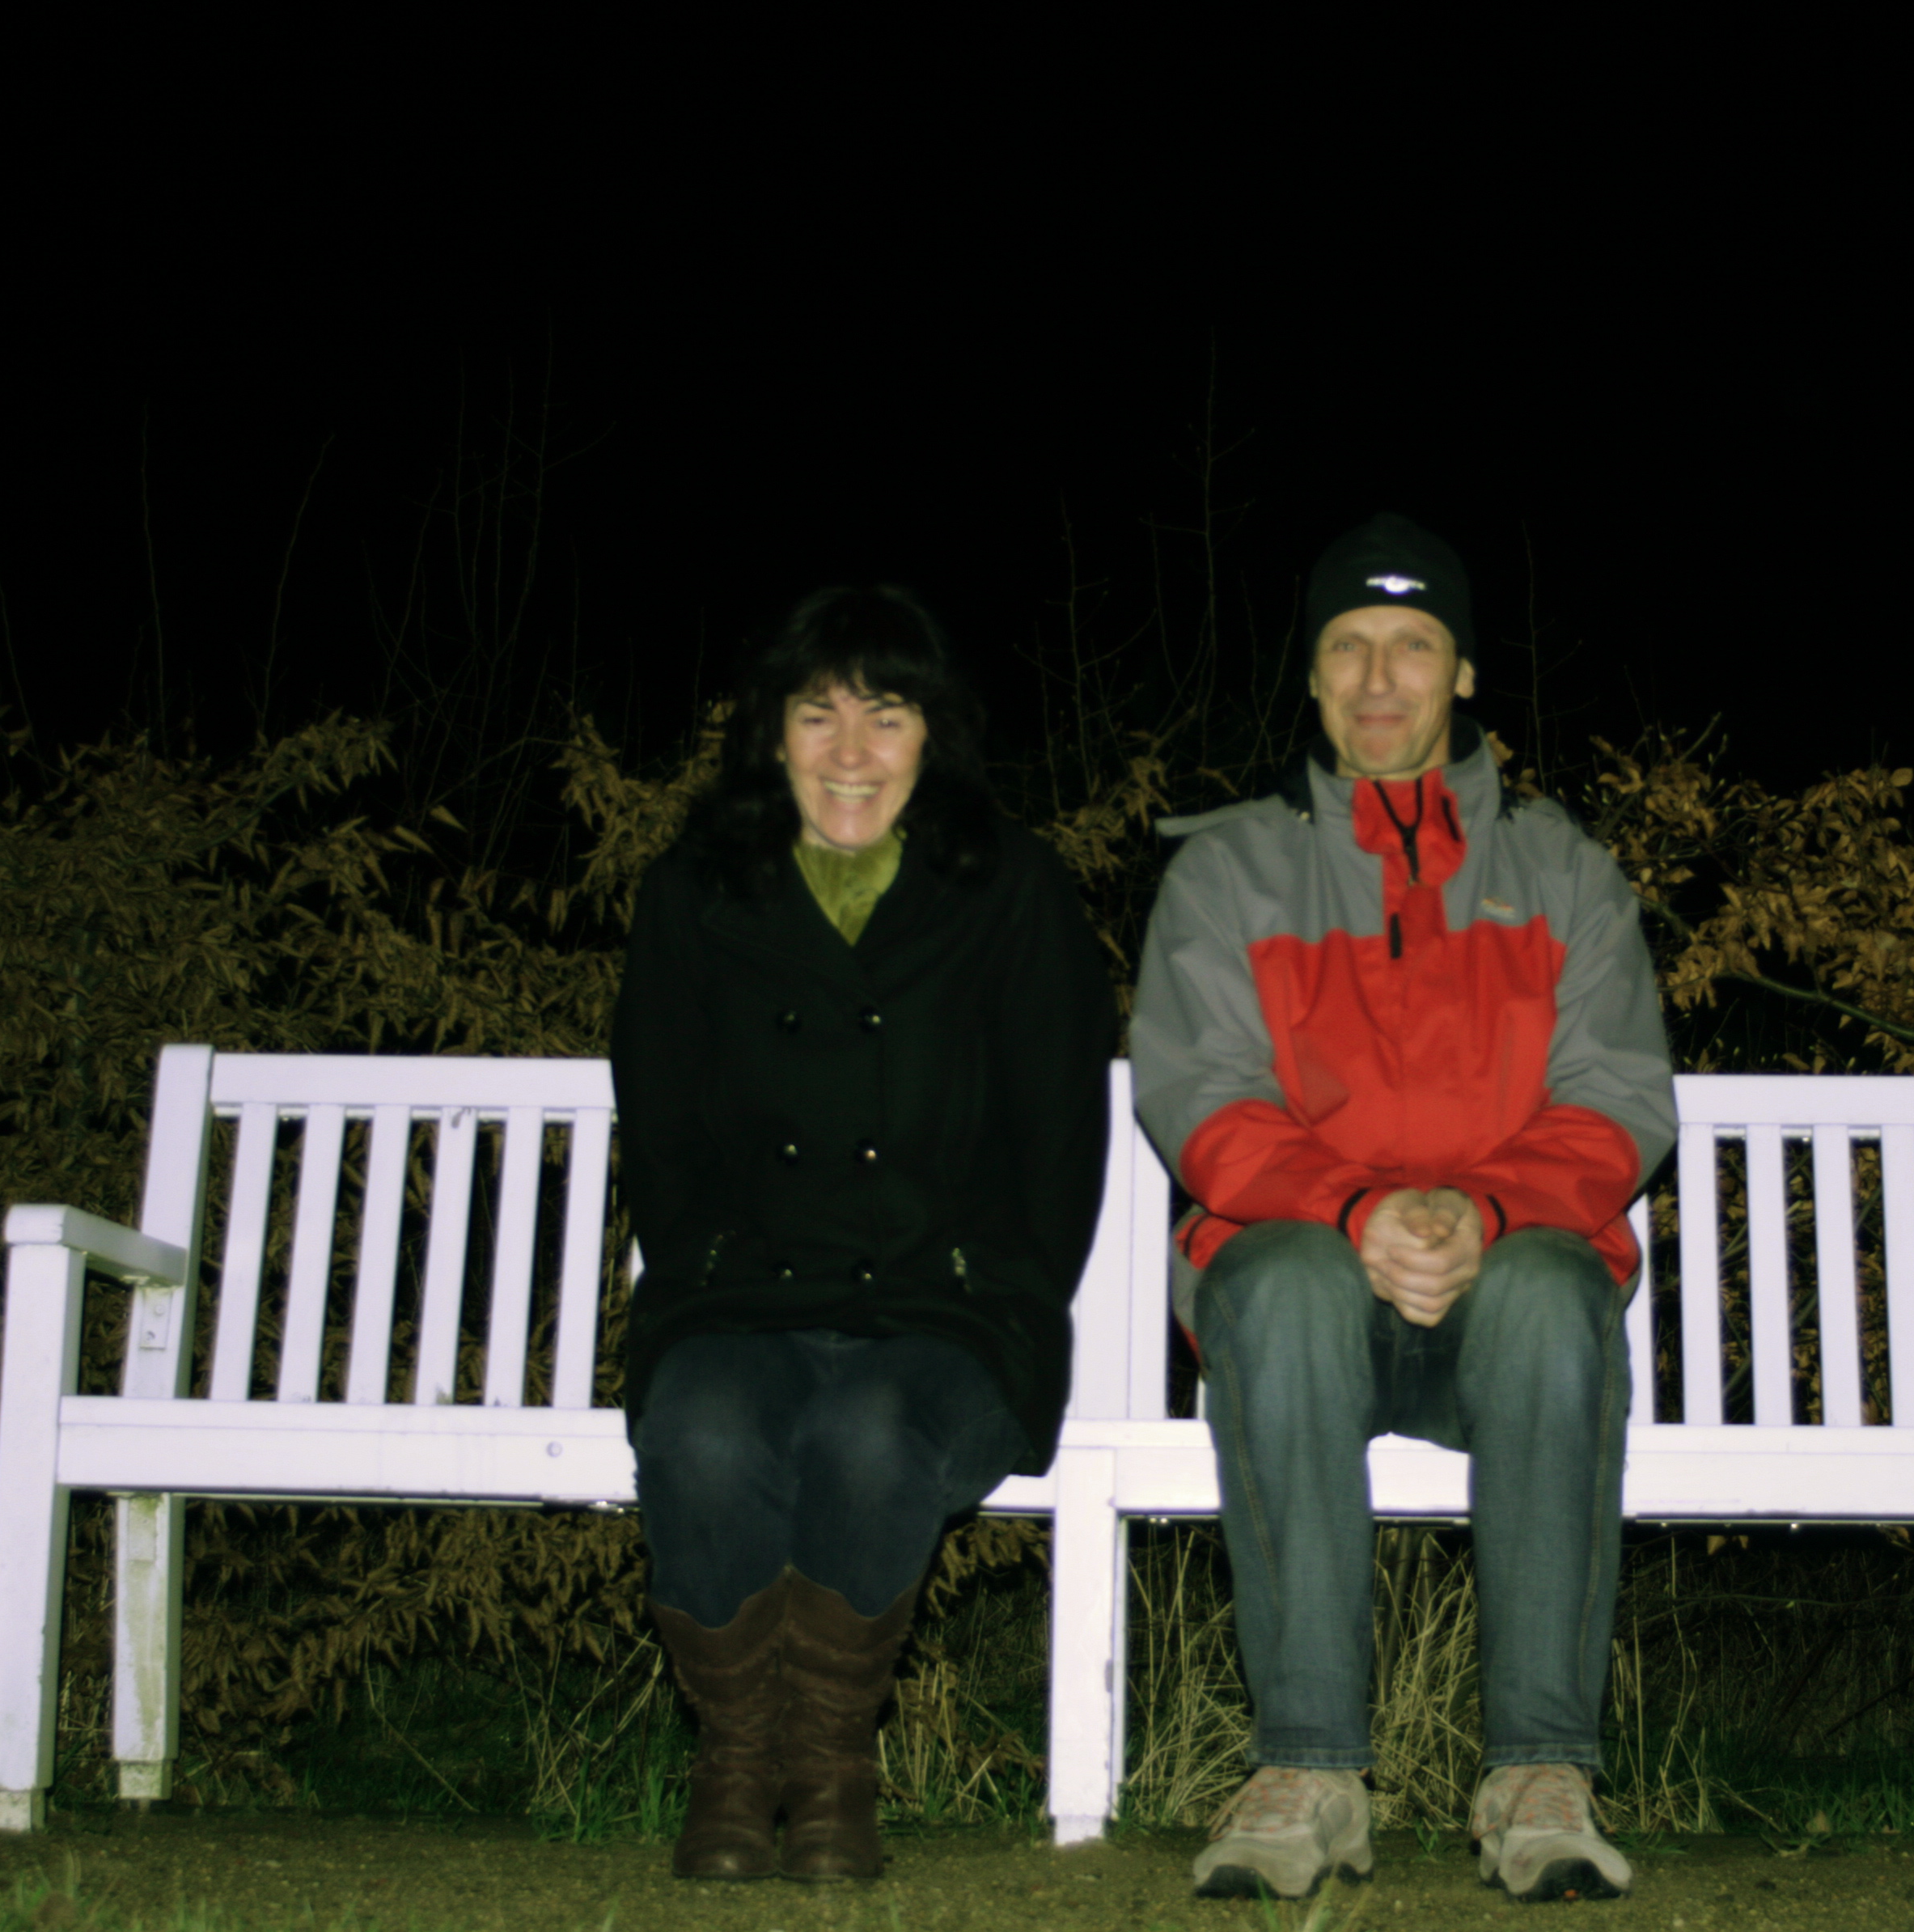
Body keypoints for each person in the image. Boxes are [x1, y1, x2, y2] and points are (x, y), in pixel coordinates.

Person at [1130, 514, 1677, 1904]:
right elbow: (1203, 1095)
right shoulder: (1229, 872)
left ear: (1465, 672)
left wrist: (1485, 1214)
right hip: (1309, 1286)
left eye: (1413, 645)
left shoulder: (1563, 871)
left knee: (1554, 1287)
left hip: (1507, 1296)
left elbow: (1616, 1097)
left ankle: (1540, 1775)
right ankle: (1308, 1774)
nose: (1379, 679)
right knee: (1283, 1280)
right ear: (1313, 679)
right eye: (1348, 648)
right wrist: (1354, 1209)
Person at [609, 585, 1117, 1882]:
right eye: (816, 713)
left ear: (933, 734)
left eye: (885, 715)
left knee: (872, 1431)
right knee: (701, 1428)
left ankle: (831, 1769)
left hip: (948, 1304)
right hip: (744, 1295)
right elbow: (660, 1134)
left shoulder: (1010, 886)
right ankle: (738, 1765)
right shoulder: (695, 889)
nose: (850, 752)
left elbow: (1060, 1136)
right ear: (769, 734)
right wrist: (702, 1276)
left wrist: (1007, 1292)